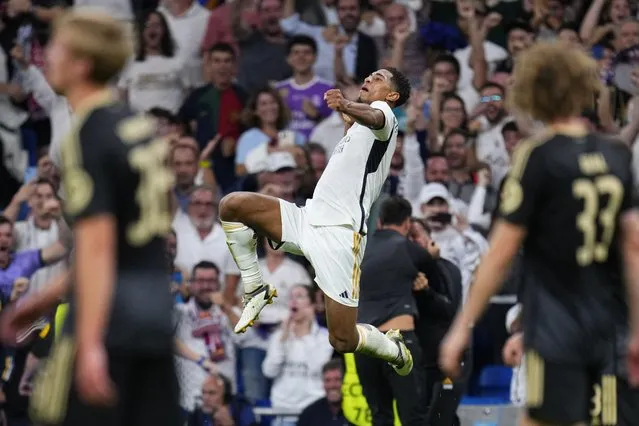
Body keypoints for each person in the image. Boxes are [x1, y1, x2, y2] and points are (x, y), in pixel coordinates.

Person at [439, 42, 639, 426]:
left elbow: (499, 254)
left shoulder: (538, 156)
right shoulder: (616, 155)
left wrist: (461, 327)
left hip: (557, 327)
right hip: (613, 326)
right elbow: (632, 247)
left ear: (531, 92)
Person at [22, 10, 179, 426]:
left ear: (81, 64)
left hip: (109, 317)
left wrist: (90, 343)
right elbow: (130, 243)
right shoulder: (136, 125)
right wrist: (41, 299)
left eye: (56, 47)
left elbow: (97, 245)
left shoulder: (87, 133)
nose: (46, 57)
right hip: (154, 311)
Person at [219, 67, 414, 377]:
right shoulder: (356, 130)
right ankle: (255, 288)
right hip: (307, 218)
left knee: (342, 339)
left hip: (341, 237)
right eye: (369, 76)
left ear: (391, 95)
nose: (368, 79)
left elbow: (376, 117)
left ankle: (393, 349)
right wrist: (347, 115)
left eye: (377, 78)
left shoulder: (385, 116)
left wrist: (346, 105)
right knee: (232, 205)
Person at [356, 196, 429, 425]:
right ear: (407, 223)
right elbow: (431, 261)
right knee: (413, 417)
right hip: (399, 339)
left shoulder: (360, 249)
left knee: (380, 417)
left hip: (365, 342)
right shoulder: (406, 247)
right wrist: (425, 247)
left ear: (379, 223)